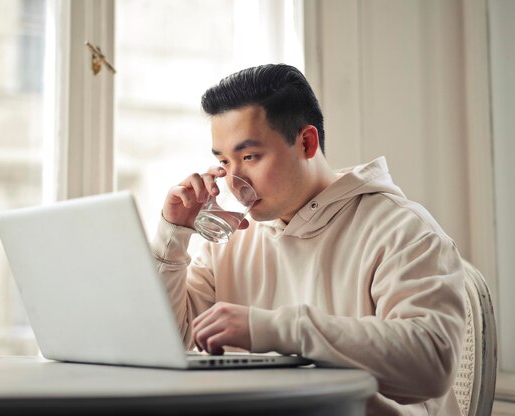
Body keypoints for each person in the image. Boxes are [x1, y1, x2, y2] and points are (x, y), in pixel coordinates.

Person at [151, 63, 466, 415]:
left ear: (306, 142)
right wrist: (173, 233)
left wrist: (273, 328)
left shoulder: (401, 229)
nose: (234, 182)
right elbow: (169, 346)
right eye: (225, 161)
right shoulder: (230, 239)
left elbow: (431, 364)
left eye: (250, 157)